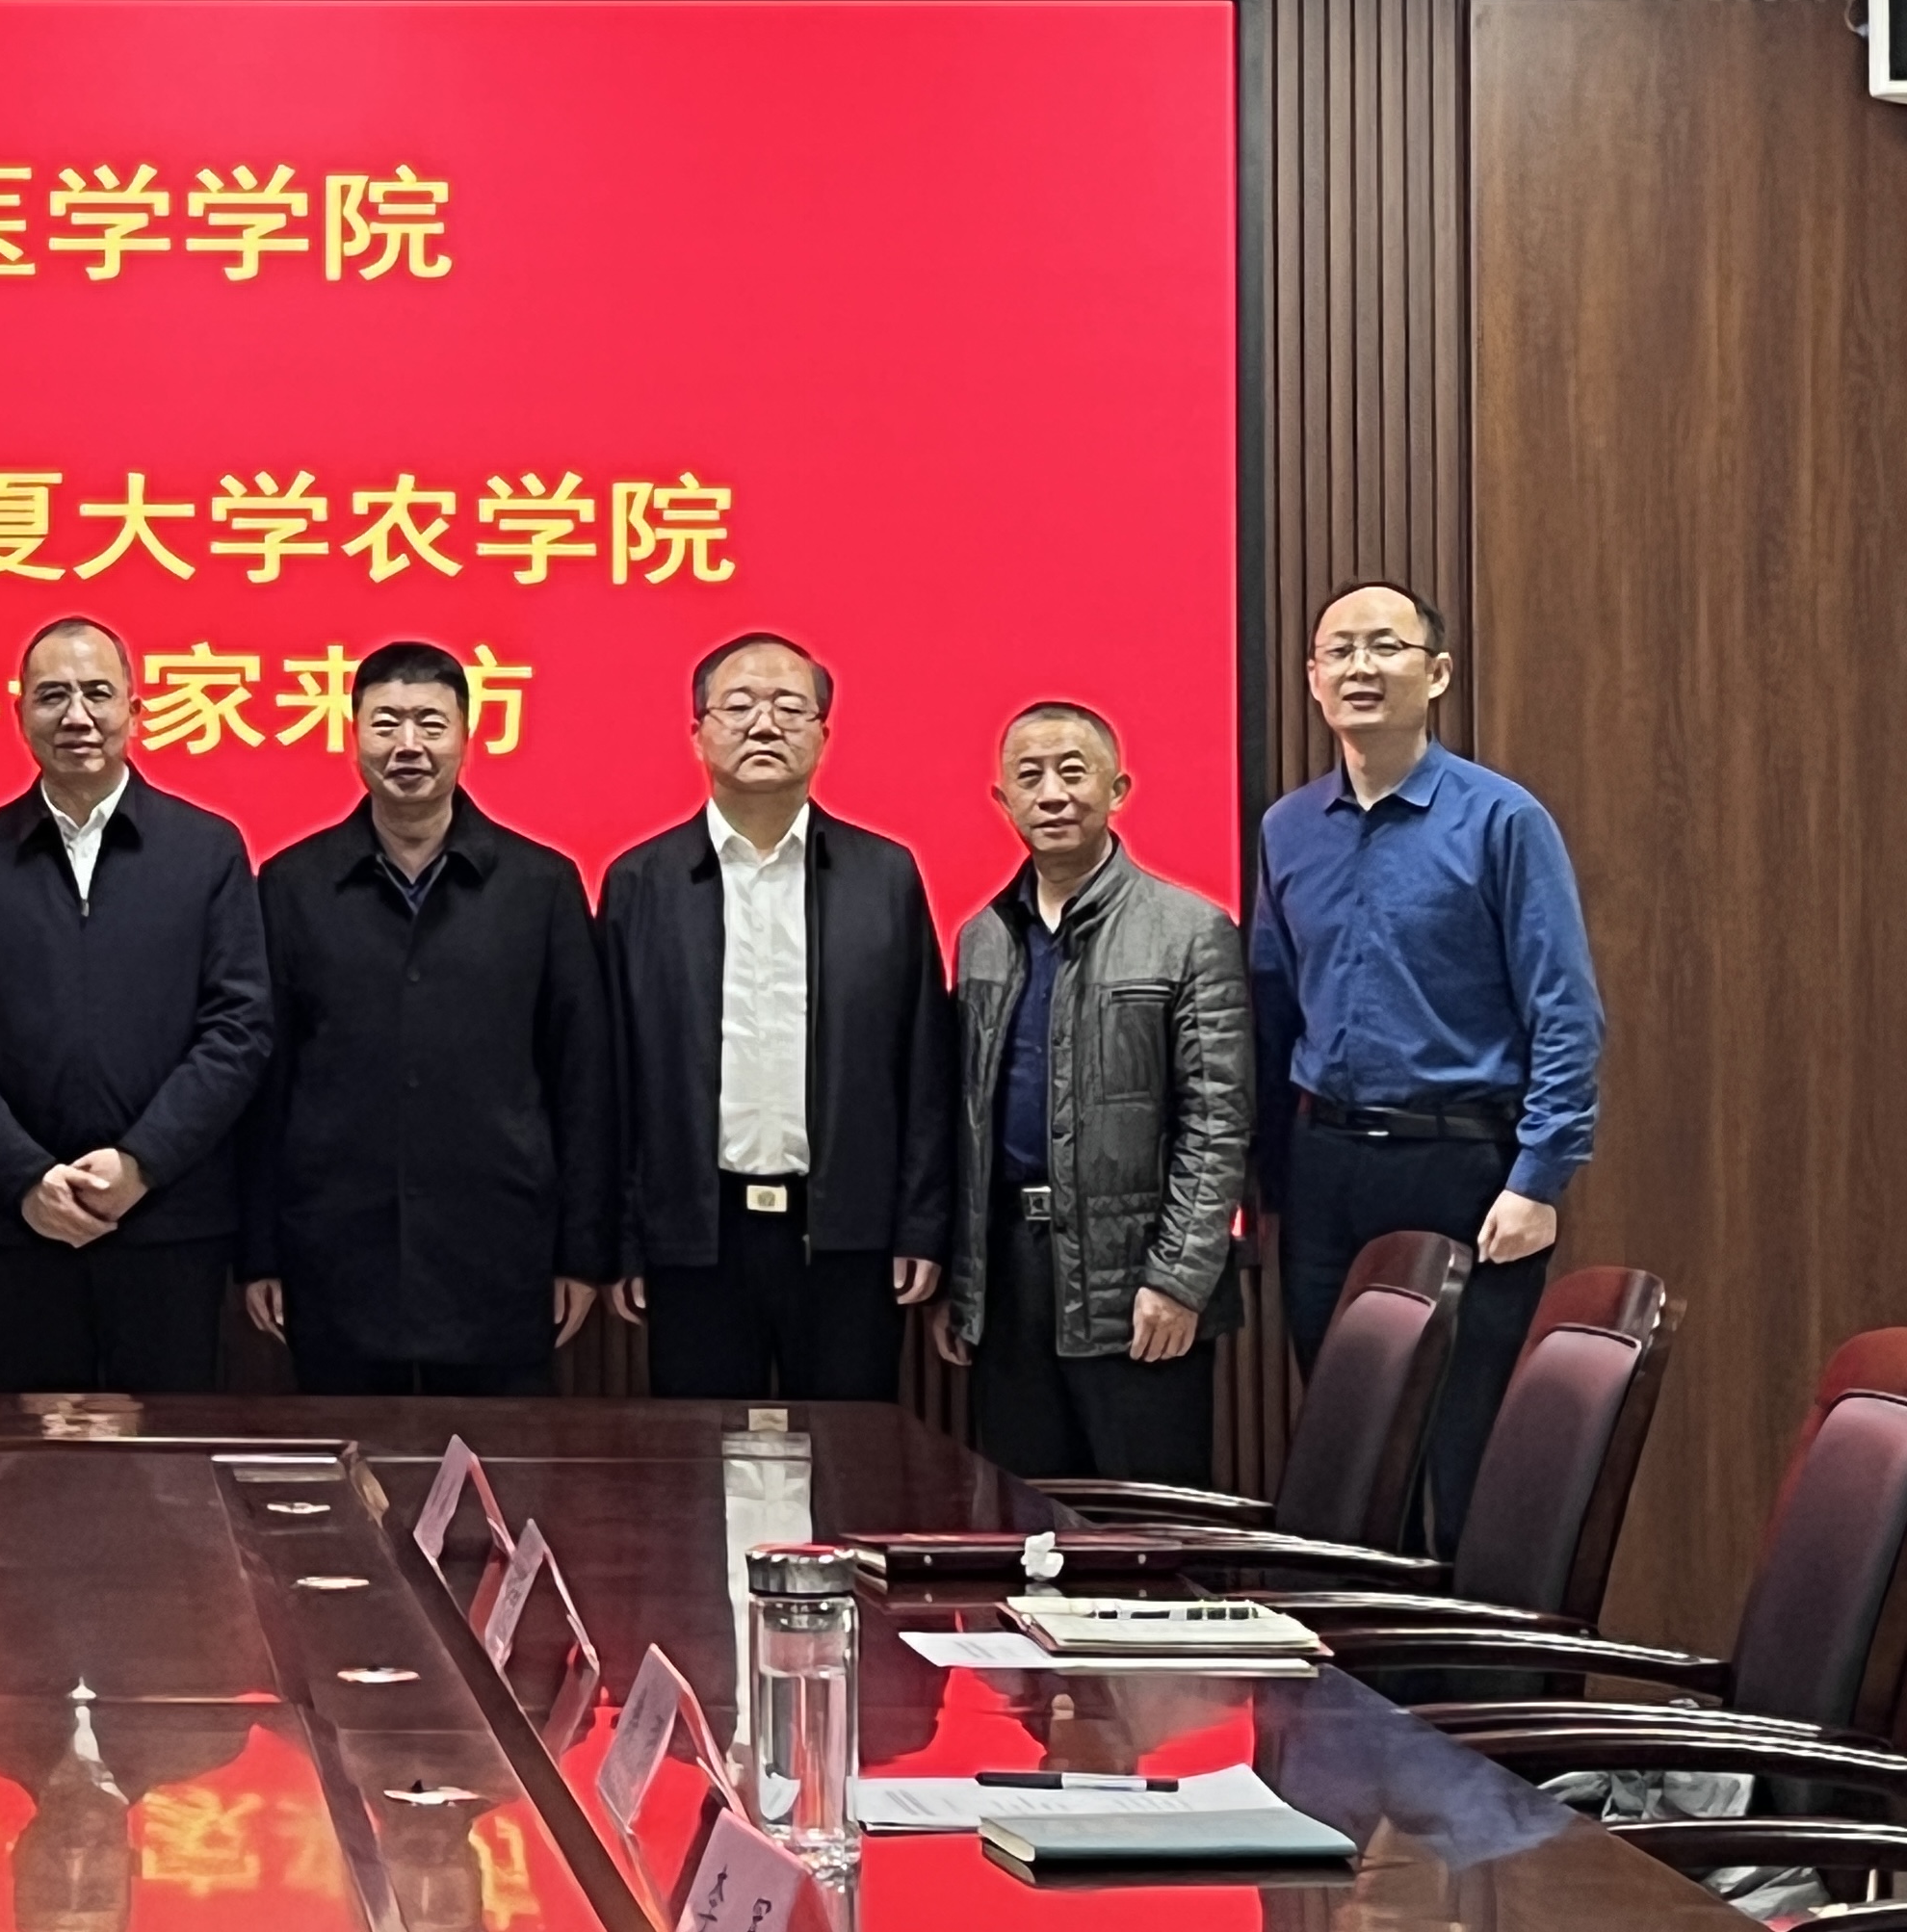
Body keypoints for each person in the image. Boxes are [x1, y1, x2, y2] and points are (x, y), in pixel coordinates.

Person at [1253, 582, 1604, 1549]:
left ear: (1437, 673)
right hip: (1325, 1167)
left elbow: (1565, 1010)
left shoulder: (1502, 820)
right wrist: (1271, 1183)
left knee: (1463, 1448)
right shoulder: (1288, 828)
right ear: (1314, 680)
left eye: (1386, 647)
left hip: (1464, 1168)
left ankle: (1461, 1649)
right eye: (1340, 651)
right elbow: (1272, 1008)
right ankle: (1372, 1647)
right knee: (1351, 1447)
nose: (1361, 667)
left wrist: (1538, 1178)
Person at [239, 640, 611, 1396]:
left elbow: (582, 1079)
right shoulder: (290, 886)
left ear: (468, 737)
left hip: (498, 1255)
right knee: (343, 1464)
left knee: (495, 1466)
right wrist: (259, 1252)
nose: (407, 745)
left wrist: (581, 1253)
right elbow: (265, 1084)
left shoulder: (540, 886)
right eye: (386, 723)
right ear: (353, 737)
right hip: (335, 1253)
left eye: (430, 723)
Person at [0, 616, 271, 1393]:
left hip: (171, 1224)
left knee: (170, 1455)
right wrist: (26, 1178)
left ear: (134, 710)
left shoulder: (207, 849)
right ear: (18, 714)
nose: (76, 716)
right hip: (21, 1227)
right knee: (25, 1455)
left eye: (97, 693)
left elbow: (238, 1028)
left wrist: (142, 1163)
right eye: (52, 696)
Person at [598, 632, 954, 1402]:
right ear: (697, 732)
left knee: (849, 1453)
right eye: (739, 706)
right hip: (695, 1234)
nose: (764, 724)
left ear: (824, 733)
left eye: (790, 707)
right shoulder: (641, 882)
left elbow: (924, 1061)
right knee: (699, 1455)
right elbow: (617, 1077)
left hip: (847, 1234)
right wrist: (624, 1237)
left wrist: (921, 1224)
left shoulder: (884, 875)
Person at [932, 702, 1253, 1486]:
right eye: (1029, 776)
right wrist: (966, 1287)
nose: (1052, 793)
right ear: (1001, 800)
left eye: (1073, 772)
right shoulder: (982, 936)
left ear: (1118, 789)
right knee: (1025, 1518)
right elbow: (964, 1127)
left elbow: (1217, 1121)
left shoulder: (1190, 930)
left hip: (1137, 1282)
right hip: (1011, 1282)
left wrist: (1178, 1280)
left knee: (1145, 1526)